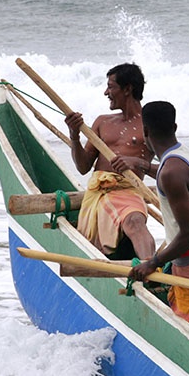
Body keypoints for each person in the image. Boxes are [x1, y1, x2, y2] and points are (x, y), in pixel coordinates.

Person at [129, 101, 189, 342]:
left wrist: (152, 262)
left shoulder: (170, 172)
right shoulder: (186, 155)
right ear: (174, 126)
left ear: (146, 133)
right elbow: (171, 175)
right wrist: (144, 166)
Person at [64, 63, 156, 260]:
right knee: (91, 247)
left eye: (111, 87)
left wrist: (138, 163)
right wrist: (74, 136)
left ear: (128, 89)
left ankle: (150, 268)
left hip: (128, 191)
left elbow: (167, 167)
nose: (106, 92)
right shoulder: (102, 122)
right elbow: (83, 167)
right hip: (98, 194)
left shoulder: (149, 125)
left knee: (135, 222)